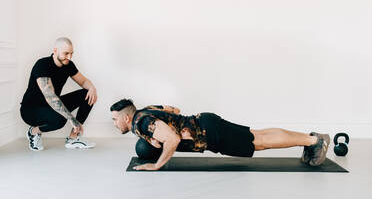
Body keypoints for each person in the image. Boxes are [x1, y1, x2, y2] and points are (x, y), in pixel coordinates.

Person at [110, 99, 330, 171]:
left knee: (259, 141)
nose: (114, 123)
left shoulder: (140, 123)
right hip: (206, 123)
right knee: (258, 138)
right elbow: (174, 111)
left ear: (126, 118)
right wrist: (159, 134)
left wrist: (156, 165)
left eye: (115, 119)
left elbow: (173, 139)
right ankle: (311, 140)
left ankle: (315, 140)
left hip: (209, 134)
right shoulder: (147, 110)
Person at [20, 37, 97, 151]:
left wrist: (92, 88)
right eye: (66, 53)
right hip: (31, 110)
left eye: (71, 53)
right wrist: (72, 119)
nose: (69, 57)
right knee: (61, 119)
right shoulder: (42, 64)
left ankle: (73, 139)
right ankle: (33, 132)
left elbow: (84, 81)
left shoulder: (68, 65)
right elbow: (50, 97)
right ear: (55, 51)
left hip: (50, 105)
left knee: (87, 94)